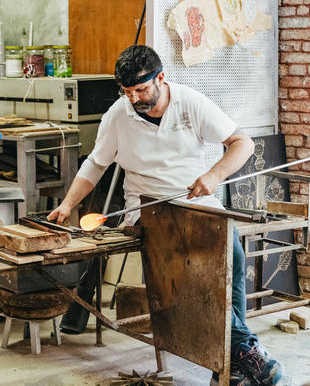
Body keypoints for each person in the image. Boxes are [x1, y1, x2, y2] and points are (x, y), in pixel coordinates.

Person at [47, 45, 283, 386]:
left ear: (161, 78)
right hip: (145, 210)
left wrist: (214, 176)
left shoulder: (190, 102)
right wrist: (67, 205)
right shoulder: (118, 114)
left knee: (230, 253)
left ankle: (234, 360)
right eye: (127, 92)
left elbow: (241, 143)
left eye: (142, 90)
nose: (134, 99)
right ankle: (242, 356)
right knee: (198, 271)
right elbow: (96, 164)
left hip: (194, 204)